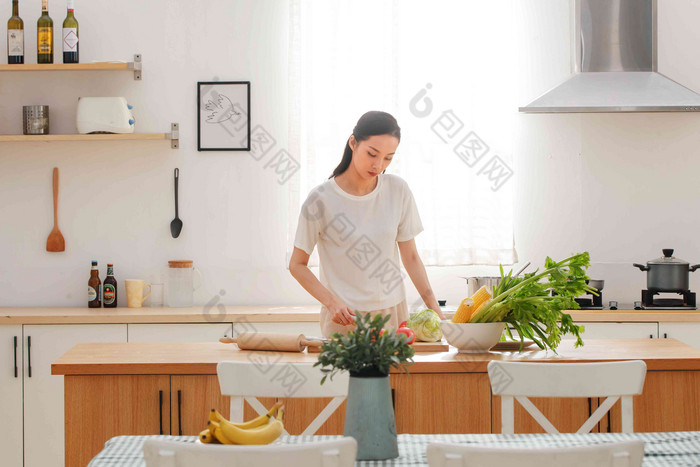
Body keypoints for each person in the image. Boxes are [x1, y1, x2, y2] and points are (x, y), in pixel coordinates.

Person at [289, 110, 445, 338]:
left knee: (395, 374)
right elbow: (297, 265)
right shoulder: (320, 200)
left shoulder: (397, 190)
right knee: (347, 375)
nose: (378, 165)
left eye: (388, 158)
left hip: (393, 312)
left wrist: (435, 309)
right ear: (353, 143)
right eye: (372, 154)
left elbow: (411, 256)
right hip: (345, 317)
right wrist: (331, 303)